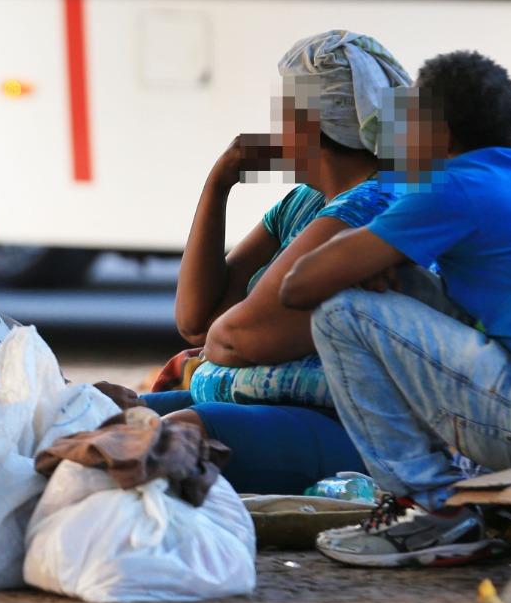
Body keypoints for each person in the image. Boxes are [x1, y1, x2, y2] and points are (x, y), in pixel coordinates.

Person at [278, 50, 511, 567]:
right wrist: (375, 263)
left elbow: (298, 287)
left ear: (438, 133)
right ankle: (447, 500)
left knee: (341, 311)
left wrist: (357, 262)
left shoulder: (453, 186)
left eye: (407, 122)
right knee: (396, 284)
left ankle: (429, 508)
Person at [135, 30, 411, 494]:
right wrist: (220, 181)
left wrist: (224, 339)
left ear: (306, 125)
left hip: (356, 429)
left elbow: (232, 339)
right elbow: (196, 322)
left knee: (173, 434)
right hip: (282, 410)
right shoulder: (304, 202)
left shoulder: (371, 204)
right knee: (103, 410)